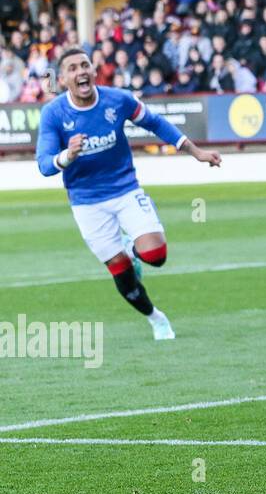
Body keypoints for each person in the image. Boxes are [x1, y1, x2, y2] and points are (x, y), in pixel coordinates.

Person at [35, 47, 222, 339]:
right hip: (86, 203)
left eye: (85, 65)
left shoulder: (117, 99)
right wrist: (66, 156)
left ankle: (134, 250)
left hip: (125, 189)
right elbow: (44, 165)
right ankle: (156, 318)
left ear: (94, 71)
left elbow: (155, 123)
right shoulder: (54, 113)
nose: (81, 71)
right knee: (120, 271)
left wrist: (196, 152)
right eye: (72, 68)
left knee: (156, 255)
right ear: (62, 80)